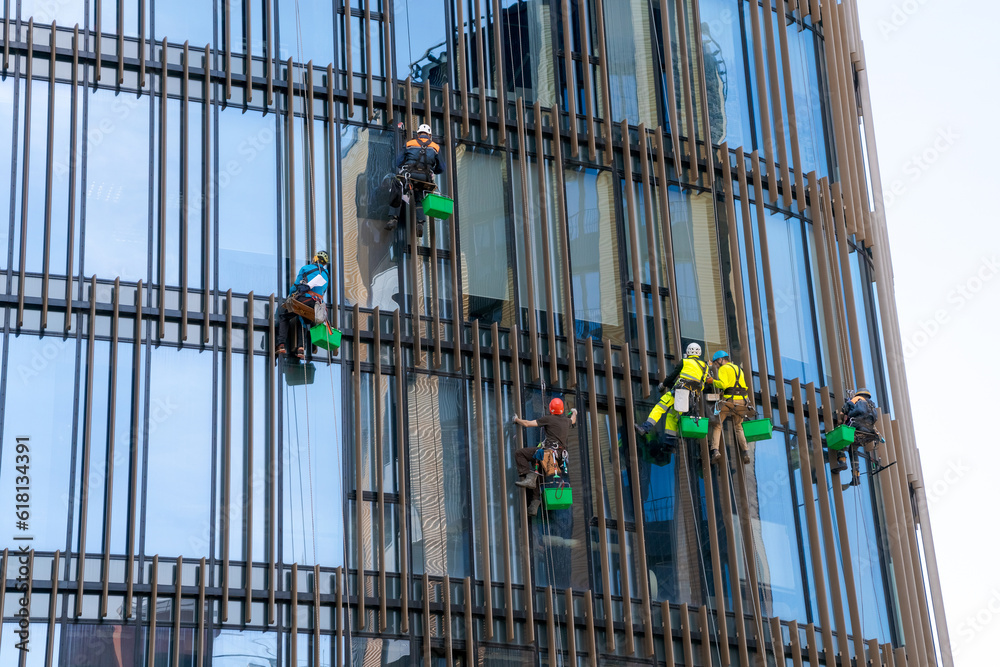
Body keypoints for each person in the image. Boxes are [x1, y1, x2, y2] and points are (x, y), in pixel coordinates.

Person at [512, 398, 577, 517]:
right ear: (561, 410)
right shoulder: (566, 421)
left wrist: (516, 419)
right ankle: (534, 503)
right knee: (539, 475)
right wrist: (574, 412)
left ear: (551, 409)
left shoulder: (548, 419)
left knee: (520, 454)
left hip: (547, 454)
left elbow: (527, 423)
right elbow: (573, 420)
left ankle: (529, 476)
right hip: (558, 459)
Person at [635, 342, 709, 437]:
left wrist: (663, 385)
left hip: (679, 392)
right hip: (691, 399)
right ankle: (670, 443)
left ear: (688, 353)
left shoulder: (684, 361)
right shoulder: (705, 367)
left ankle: (645, 428)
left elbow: (672, 376)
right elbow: (702, 385)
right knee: (672, 415)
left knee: (659, 407)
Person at [386, 123, 445, 238]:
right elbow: (441, 167)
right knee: (419, 198)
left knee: (397, 189)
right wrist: (433, 171)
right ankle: (420, 224)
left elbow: (398, 162)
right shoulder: (435, 147)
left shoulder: (409, 144)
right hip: (425, 178)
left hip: (410, 174)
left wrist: (407, 165)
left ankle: (393, 218)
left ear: (418, 134)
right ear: (429, 135)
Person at [276, 251, 330, 359]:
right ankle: (301, 348)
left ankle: (281, 344)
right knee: (303, 318)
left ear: (315, 258)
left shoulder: (306, 268)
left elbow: (296, 285)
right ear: (324, 263)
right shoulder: (327, 275)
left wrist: (290, 296)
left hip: (304, 299)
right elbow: (322, 290)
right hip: (317, 306)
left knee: (284, 315)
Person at [706, 350, 753, 465]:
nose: (716, 366)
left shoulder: (723, 369)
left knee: (718, 425)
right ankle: (746, 452)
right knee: (738, 427)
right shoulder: (738, 369)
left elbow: (723, 384)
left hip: (730, 400)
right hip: (742, 401)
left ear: (721, 360)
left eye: (717, 363)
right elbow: (735, 384)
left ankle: (715, 451)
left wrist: (711, 381)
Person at [833, 388, 883, 476]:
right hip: (867, 432)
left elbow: (845, 408)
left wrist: (840, 418)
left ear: (859, 394)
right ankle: (856, 474)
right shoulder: (872, 407)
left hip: (857, 426)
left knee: (843, 438)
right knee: (854, 449)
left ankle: (842, 460)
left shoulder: (857, 399)